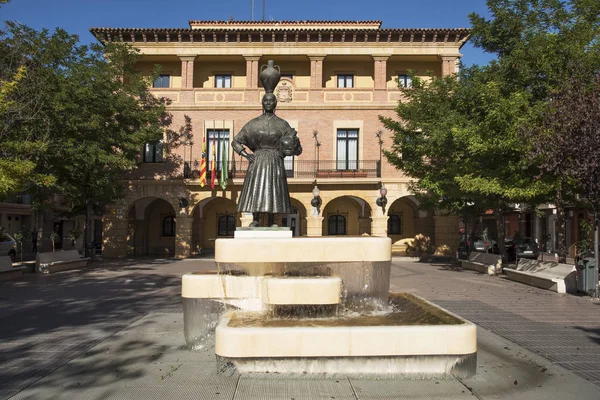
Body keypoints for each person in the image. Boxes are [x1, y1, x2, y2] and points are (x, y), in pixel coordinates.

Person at [231, 93, 302, 226]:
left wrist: (294, 145)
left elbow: (296, 146)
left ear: (275, 104)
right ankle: (255, 219)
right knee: (257, 189)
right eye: (266, 101)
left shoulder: (282, 124)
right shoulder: (253, 123)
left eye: (271, 101)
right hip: (258, 160)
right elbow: (235, 141)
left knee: (273, 189)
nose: (268, 103)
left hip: (276, 160)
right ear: (262, 103)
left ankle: (272, 221)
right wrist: (246, 154)